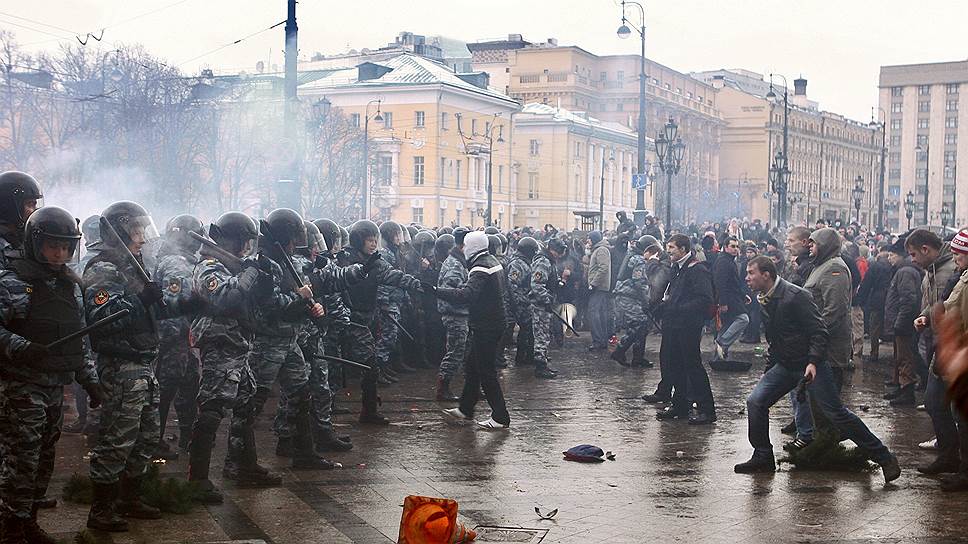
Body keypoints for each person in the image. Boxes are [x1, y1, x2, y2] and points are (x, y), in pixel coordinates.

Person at [735, 255, 901, 484]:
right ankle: (763, 456)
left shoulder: (795, 296)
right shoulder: (765, 299)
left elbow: (819, 331)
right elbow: (776, 339)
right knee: (756, 402)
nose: (747, 277)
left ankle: (884, 457)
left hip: (810, 365)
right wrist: (769, 369)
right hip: (785, 365)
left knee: (836, 413)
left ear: (766, 275)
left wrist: (813, 362)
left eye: (751, 273)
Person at [0, 206, 105, 543]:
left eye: (65, 247)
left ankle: (29, 520)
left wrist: (90, 381)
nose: (59, 254)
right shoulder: (12, 283)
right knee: (21, 459)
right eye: (52, 246)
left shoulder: (69, 285)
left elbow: (79, 340)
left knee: (45, 457)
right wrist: (21, 346)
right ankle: (10, 526)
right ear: (35, 244)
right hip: (21, 387)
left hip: (54, 387)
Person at [83, 201, 189, 530]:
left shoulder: (134, 265)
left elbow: (156, 312)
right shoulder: (105, 268)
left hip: (143, 362)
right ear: (120, 232)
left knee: (146, 437)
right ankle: (102, 509)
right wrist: (139, 300)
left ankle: (129, 497)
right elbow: (101, 316)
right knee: (118, 438)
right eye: (137, 230)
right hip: (121, 366)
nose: (142, 237)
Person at [187, 211, 279, 504]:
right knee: (212, 408)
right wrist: (249, 273)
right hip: (220, 346)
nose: (247, 248)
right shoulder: (208, 267)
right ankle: (198, 479)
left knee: (246, 404)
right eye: (243, 242)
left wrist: (263, 275)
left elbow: (261, 299)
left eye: (250, 243)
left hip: (240, 346)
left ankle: (243, 465)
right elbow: (226, 297)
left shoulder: (235, 266)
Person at [432, 231, 510, 430]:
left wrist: (436, 291)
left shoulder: (480, 267)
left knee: (486, 372)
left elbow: (467, 294)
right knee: (472, 367)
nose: (464, 249)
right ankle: (465, 409)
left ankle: (500, 416)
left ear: (473, 247)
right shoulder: (491, 260)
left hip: (487, 326)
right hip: (492, 323)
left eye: (466, 245)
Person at [151, 215, 204, 460]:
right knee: (166, 390)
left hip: (182, 339)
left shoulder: (177, 259)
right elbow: (175, 303)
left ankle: (188, 436)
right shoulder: (177, 263)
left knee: (189, 386)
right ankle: (155, 440)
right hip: (175, 339)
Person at [655, 234, 717, 425]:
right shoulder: (676, 268)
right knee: (675, 365)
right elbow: (674, 294)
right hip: (674, 324)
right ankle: (680, 405)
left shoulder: (697, 269)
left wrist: (677, 308)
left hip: (688, 325)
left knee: (693, 366)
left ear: (683, 249)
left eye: (672, 247)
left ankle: (707, 410)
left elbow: (704, 299)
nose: (668, 251)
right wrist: (663, 307)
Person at [882, 239, 923, 406]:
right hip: (900, 321)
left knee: (905, 357)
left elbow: (908, 299)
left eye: (892, 255)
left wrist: (900, 322)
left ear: (900, 256)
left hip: (904, 323)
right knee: (901, 356)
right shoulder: (903, 270)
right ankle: (901, 387)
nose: (889, 258)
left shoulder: (905, 271)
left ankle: (907, 392)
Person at [610, 235, 656, 367]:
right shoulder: (639, 260)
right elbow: (638, 282)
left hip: (627, 295)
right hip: (628, 296)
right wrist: (645, 301)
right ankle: (620, 350)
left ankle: (638, 357)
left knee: (642, 326)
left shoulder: (632, 255)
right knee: (639, 325)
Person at [436, 227, 470, 401]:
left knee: (466, 352)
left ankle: (470, 386)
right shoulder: (455, 265)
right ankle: (443, 388)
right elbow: (450, 292)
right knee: (455, 351)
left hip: (462, 313)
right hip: (455, 314)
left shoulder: (459, 261)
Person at [530, 238, 565, 379]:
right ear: (552, 250)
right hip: (540, 305)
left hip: (545, 303)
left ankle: (543, 362)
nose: (560, 255)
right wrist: (547, 300)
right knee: (541, 335)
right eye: (558, 251)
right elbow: (537, 285)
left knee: (544, 334)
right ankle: (540, 367)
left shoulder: (549, 261)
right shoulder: (543, 261)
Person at [712, 236, 750, 360]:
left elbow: (734, 282)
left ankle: (718, 359)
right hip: (729, 299)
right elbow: (720, 283)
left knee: (727, 325)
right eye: (732, 246)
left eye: (737, 246)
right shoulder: (723, 261)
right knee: (743, 319)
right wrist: (723, 302)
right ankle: (722, 343)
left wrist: (743, 295)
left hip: (732, 297)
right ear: (725, 247)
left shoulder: (728, 260)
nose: (735, 249)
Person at [856, 243, 893, 363]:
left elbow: (867, 283)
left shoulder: (875, 266)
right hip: (891, 298)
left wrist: (860, 299)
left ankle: (874, 353)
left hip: (877, 299)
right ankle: (895, 355)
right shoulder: (893, 266)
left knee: (874, 327)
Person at [0, 171, 43, 270]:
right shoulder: (3, 245)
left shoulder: (25, 237)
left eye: (35, 204)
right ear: (9, 207)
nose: (35, 210)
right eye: (30, 204)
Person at [507, 237, 538, 367]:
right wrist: (519, 303)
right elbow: (512, 285)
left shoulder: (525, 262)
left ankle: (529, 356)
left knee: (529, 330)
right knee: (526, 330)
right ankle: (522, 357)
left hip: (526, 301)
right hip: (521, 303)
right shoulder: (517, 264)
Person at [585, 230, 612, 351]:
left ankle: (598, 341)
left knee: (594, 313)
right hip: (599, 286)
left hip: (598, 287)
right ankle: (601, 341)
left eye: (589, 238)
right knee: (599, 314)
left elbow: (603, 268)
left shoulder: (601, 250)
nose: (588, 241)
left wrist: (593, 283)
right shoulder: (599, 249)